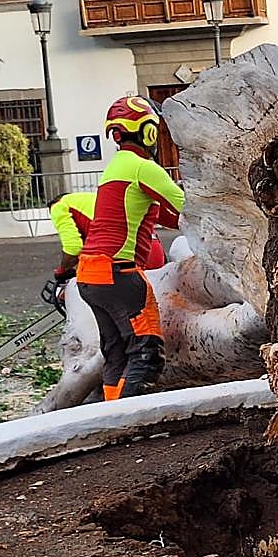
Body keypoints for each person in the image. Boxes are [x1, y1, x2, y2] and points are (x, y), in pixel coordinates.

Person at [75, 96, 185, 401]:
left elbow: (168, 216)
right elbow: (188, 209)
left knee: (117, 354)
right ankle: (129, 423)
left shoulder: (116, 168)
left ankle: (111, 421)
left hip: (90, 274)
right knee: (145, 355)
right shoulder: (143, 168)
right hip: (119, 274)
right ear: (149, 131)